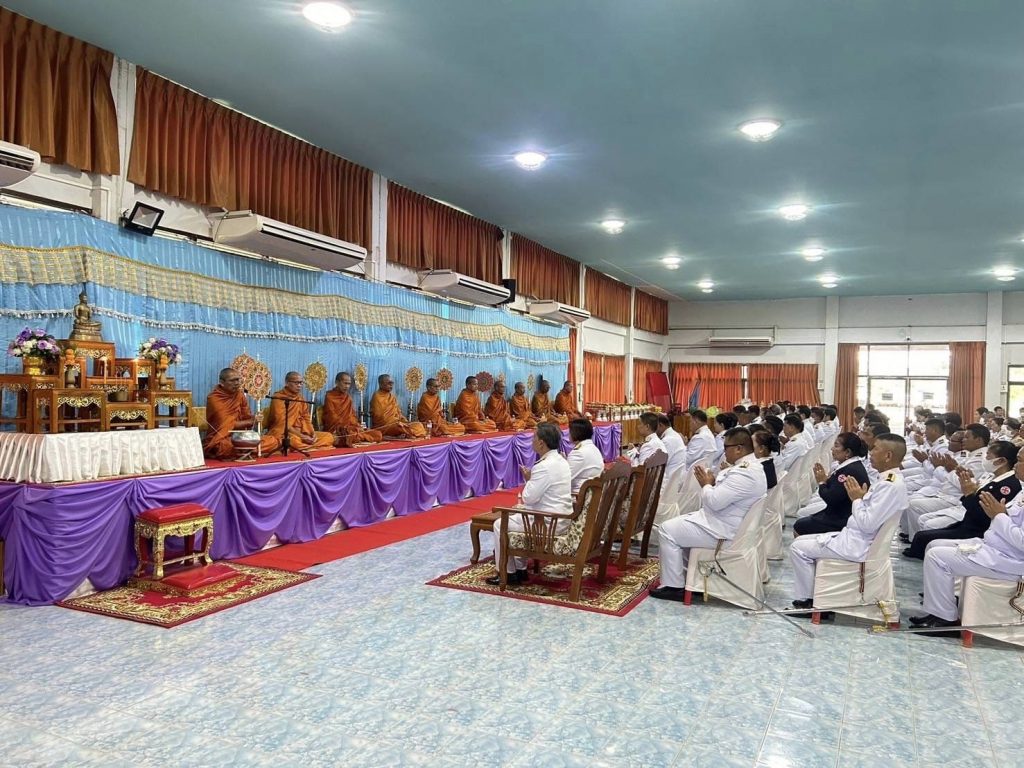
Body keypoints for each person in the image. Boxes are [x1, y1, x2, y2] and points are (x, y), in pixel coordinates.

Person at [788, 433, 908, 612]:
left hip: (857, 545)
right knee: (801, 541)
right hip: (854, 536)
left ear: (888, 455)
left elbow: (867, 523)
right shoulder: (888, 480)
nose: (870, 452)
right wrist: (862, 498)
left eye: (875, 448)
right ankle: (816, 595)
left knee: (798, 548)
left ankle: (807, 601)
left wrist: (857, 499)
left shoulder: (889, 485)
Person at [912, 449, 1024, 634]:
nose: (1015, 465)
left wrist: (999, 515)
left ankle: (944, 619)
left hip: (1011, 561)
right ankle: (937, 609)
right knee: (934, 545)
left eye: (1019, 461)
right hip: (997, 547)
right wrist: (999, 513)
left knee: (937, 557)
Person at [649, 428, 767, 601]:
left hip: (722, 531)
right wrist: (711, 485)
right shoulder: (752, 467)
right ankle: (691, 580)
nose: (724, 452)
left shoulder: (743, 473)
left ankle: (674, 586)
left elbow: (713, 502)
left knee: (666, 530)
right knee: (676, 524)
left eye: (726, 448)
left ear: (739, 449)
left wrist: (706, 484)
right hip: (724, 523)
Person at [903, 441, 1022, 559]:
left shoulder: (1008, 486)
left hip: (978, 528)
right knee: (922, 534)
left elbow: (983, 516)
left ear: (1001, 461)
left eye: (988, 456)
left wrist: (969, 494)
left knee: (927, 538)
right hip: (969, 518)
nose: (985, 459)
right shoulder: (990, 475)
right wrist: (970, 487)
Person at [487, 422, 573, 585]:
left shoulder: (544, 466)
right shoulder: (562, 460)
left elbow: (528, 498)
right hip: (561, 517)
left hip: (548, 522)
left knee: (500, 524)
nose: (531, 440)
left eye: (534, 437)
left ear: (541, 443)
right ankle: (520, 569)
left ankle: (507, 573)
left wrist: (529, 480)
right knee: (519, 517)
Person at [792, 432, 872, 535]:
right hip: (839, 511)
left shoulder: (849, 471)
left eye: (836, 446)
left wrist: (821, 482)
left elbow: (830, 498)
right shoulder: (851, 465)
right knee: (803, 520)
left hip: (841, 519)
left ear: (847, 452)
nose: (832, 449)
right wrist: (826, 480)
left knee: (799, 526)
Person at [203, 367, 279, 458]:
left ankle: (246, 450)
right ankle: (248, 450)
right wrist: (251, 421)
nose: (236, 383)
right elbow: (227, 424)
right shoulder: (214, 398)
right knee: (225, 446)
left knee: (272, 440)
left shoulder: (240, 395)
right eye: (232, 380)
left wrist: (255, 418)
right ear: (222, 382)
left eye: (238, 380)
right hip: (221, 439)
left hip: (241, 436)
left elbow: (246, 417)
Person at [264, 371, 338, 451]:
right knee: (294, 442)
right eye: (296, 383)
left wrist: (312, 433)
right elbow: (283, 423)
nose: (299, 385)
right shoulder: (278, 398)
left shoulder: (300, 399)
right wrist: (302, 437)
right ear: (287, 383)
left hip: (303, 432)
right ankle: (310, 447)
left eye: (301, 383)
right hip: (286, 433)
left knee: (329, 437)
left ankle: (306, 447)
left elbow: (306, 418)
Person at [322, 371, 384, 445]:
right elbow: (332, 417)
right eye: (345, 383)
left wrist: (357, 425)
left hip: (350, 428)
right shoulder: (330, 396)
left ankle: (355, 437)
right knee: (348, 435)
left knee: (377, 434)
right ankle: (352, 438)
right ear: (337, 382)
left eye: (349, 384)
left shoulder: (348, 398)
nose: (347, 386)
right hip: (337, 429)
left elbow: (352, 416)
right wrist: (346, 426)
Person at [371, 374, 428, 438]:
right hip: (385, 426)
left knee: (418, 425)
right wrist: (395, 421)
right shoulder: (377, 397)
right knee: (399, 426)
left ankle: (406, 432)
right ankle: (407, 433)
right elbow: (380, 417)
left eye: (392, 383)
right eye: (389, 383)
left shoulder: (392, 397)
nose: (391, 385)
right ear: (381, 384)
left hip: (397, 422)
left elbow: (398, 413)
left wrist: (404, 421)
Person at [567, 418, 604, 495]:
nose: (568, 434)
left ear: (575, 433)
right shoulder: (593, 448)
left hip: (579, 496)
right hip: (593, 493)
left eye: (570, 431)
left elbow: (565, 478)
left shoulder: (578, 453)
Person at [655, 414, 687, 480]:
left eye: (654, 427)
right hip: (677, 476)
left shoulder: (667, 440)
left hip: (670, 479)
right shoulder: (674, 434)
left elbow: (659, 465)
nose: (653, 430)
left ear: (660, 425)